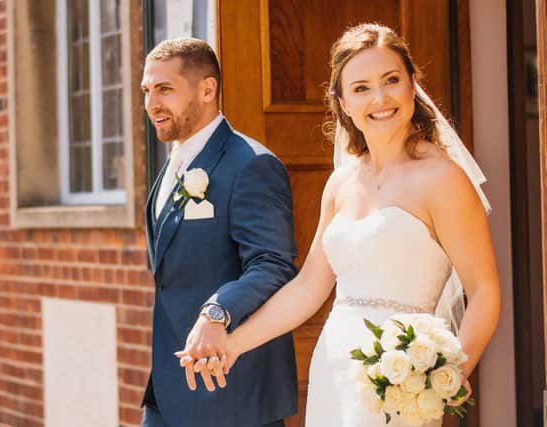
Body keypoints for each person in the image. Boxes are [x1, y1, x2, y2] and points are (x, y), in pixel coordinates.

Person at [177, 24, 501, 427]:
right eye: (361, 87)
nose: (380, 98)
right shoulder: (342, 182)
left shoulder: (441, 178)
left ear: (412, 86)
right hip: (334, 369)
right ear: (343, 102)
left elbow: (484, 289)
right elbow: (309, 287)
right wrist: (231, 345)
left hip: (403, 383)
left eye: (391, 80)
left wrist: (447, 374)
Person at [140, 37, 299, 427]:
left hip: (232, 393)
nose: (152, 103)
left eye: (165, 89)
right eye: (147, 90)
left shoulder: (251, 165)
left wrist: (217, 311)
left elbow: (272, 264)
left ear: (207, 89)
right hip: (168, 388)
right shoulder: (175, 164)